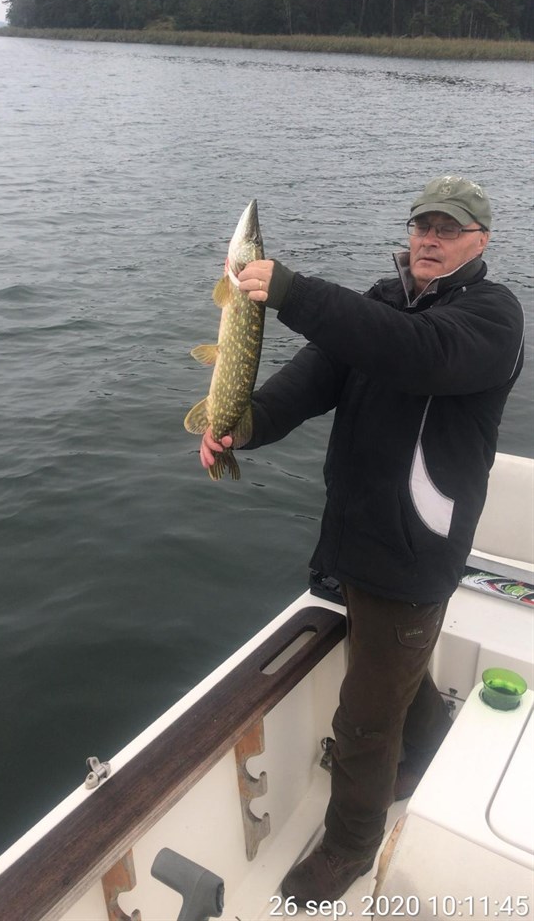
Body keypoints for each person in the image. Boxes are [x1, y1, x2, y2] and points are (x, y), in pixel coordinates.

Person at [199, 175, 525, 906]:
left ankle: (348, 847)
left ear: (480, 240)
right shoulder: (381, 303)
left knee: (364, 722)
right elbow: (312, 379)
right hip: (356, 534)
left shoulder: (491, 317)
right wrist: (241, 425)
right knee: (388, 662)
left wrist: (293, 292)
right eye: (421, 226)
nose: (429, 239)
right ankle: (426, 748)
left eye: (447, 229)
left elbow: (415, 354)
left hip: (414, 550)